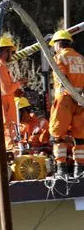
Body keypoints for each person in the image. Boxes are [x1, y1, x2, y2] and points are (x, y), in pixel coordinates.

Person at [48, 30, 84, 177]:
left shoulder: (59, 58)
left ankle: (61, 168)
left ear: (58, 44)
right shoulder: (81, 58)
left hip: (64, 99)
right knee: (80, 136)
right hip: (81, 100)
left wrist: (71, 94)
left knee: (58, 134)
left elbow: (62, 79)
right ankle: (80, 169)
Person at [0, 36, 26, 151]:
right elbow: (6, 90)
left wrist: (15, 90)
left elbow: (1, 88)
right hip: (5, 107)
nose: (11, 55)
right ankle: (10, 157)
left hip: (1, 104)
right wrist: (19, 83)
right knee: (8, 132)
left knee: (4, 132)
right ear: (5, 51)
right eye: (10, 51)